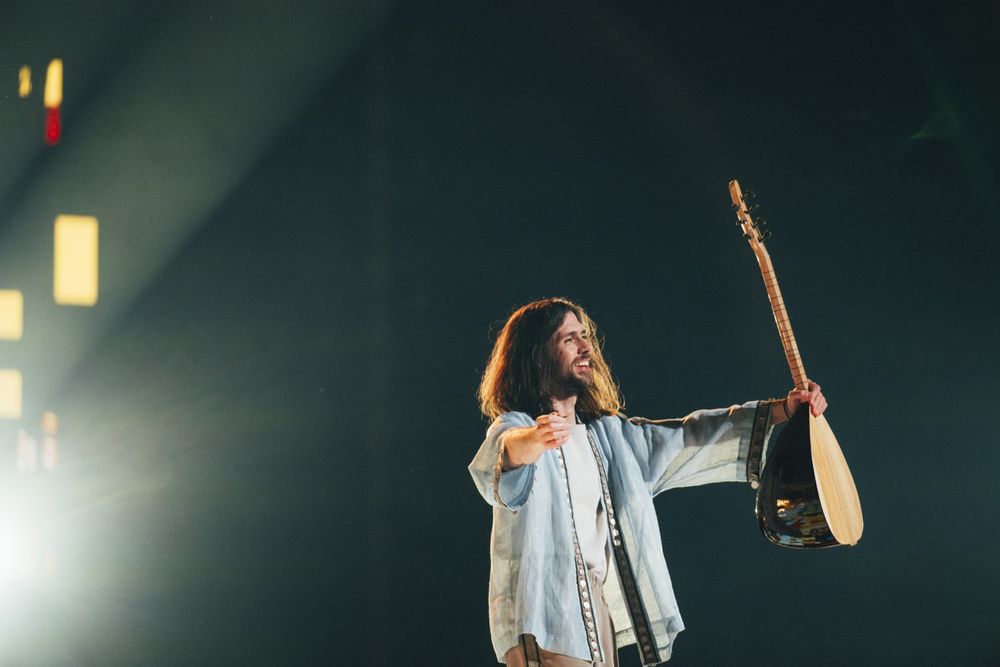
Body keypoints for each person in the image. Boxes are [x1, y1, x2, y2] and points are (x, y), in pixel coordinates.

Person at [468, 297, 826, 666]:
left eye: (584, 336)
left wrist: (783, 410)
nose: (586, 346)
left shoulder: (609, 440)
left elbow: (689, 435)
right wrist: (535, 439)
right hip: (543, 607)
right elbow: (502, 458)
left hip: (595, 608)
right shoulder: (517, 426)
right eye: (569, 339)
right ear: (538, 355)